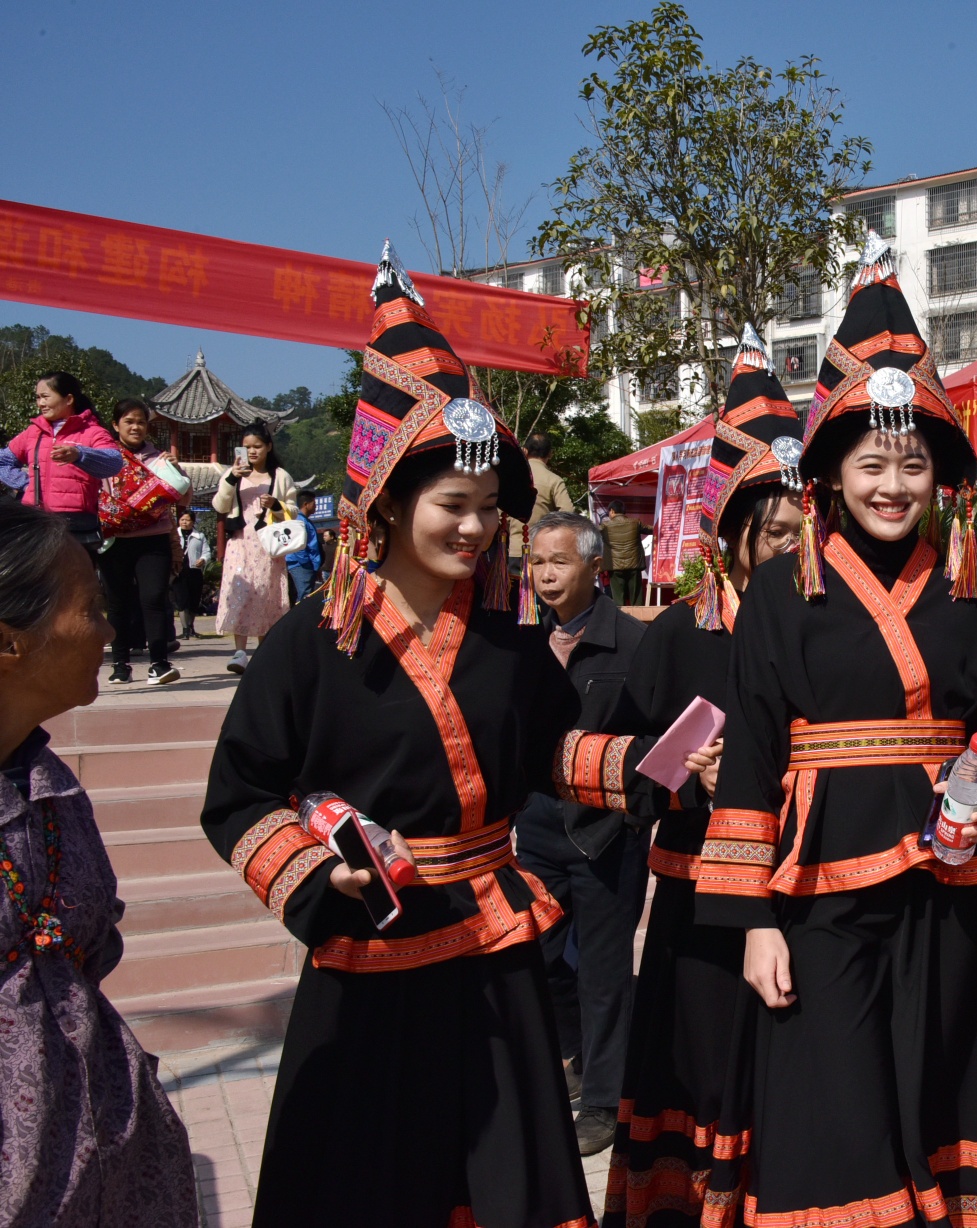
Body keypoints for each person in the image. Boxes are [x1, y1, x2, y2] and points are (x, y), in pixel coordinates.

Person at [682, 238, 977, 1228]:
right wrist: (752, 923)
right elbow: (753, 754)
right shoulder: (781, 593)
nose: (893, 483)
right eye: (872, 462)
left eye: (913, 461)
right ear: (830, 471)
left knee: (946, 1074)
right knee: (835, 1093)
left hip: (948, 881)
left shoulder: (972, 591)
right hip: (819, 889)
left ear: (940, 473)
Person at [199, 243, 597, 1228]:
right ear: (387, 502)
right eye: (453, 506)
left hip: (494, 950)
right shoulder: (312, 641)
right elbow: (239, 795)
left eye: (489, 510)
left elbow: (550, 755)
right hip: (371, 951)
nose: (475, 529)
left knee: (502, 1182)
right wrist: (311, 870)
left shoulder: (506, 641)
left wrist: (649, 766)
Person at [597, 326, 807, 1226]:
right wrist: (687, 777)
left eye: (803, 533)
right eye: (775, 534)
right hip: (697, 899)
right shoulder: (682, 634)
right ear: (731, 534)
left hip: (799, 888)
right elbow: (611, 761)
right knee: (702, 1063)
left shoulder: (826, 630)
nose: (791, 551)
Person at [0, 500, 197, 1227]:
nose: (109, 632)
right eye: (90, 609)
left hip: (111, 1174)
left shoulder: (48, 785)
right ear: (9, 642)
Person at [517, 509, 651, 1155]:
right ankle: (577, 1053)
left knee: (604, 974)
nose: (546, 575)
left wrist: (634, 809)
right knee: (538, 956)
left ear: (595, 568)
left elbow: (659, 732)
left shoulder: (633, 643)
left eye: (560, 561)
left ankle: (603, 1099)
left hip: (606, 833)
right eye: (538, 562)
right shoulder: (522, 641)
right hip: (538, 826)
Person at [99, 398, 189, 685]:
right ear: (115, 425)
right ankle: (120, 665)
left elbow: (183, 496)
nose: (135, 427)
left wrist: (177, 471)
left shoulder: (160, 458)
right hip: (116, 539)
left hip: (153, 539)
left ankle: (159, 664)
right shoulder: (105, 457)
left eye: (141, 422)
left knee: (153, 598)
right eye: (129, 421)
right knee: (118, 602)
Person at [1, 372, 123, 554]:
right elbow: (3, 462)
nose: (40, 403)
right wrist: (26, 484)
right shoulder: (33, 432)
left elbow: (113, 463)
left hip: (77, 525)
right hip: (36, 522)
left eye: (45, 397)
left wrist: (79, 454)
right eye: (38, 397)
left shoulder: (93, 432)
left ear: (69, 399)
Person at [211, 424, 298, 672]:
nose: (252, 451)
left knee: (267, 594)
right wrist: (231, 478)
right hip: (240, 541)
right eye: (247, 447)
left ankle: (264, 652)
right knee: (239, 591)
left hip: (267, 544)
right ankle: (239, 652)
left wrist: (276, 505)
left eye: (257, 446)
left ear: (268, 447)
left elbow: (293, 510)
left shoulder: (280, 476)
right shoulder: (233, 475)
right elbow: (219, 505)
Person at [509, 430, 575, 567]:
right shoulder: (554, 480)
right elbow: (568, 512)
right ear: (550, 454)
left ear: (525, 451)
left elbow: (498, 514)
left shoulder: (512, 478)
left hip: (513, 549)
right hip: (541, 550)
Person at [601, 498, 649, 605]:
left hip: (615, 567)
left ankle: (620, 616)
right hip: (634, 566)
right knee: (636, 600)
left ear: (612, 511)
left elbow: (591, 533)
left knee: (618, 601)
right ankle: (638, 616)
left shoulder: (605, 526)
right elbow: (653, 529)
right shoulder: (636, 523)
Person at [174, 509, 212, 638]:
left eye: (187, 520)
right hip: (179, 572)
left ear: (193, 522)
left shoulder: (199, 536)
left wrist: (203, 559)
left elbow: (207, 552)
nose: (184, 522)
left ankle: (191, 628)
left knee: (193, 601)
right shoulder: (174, 535)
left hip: (194, 571)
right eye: (182, 520)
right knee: (182, 601)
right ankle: (185, 630)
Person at [286, 493, 324, 603]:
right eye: (314, 504)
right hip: (301, 564)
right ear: (306, 504)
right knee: (304, 596)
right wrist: (306, 563)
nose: (316, 506)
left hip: (306, 564)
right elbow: (298, 546)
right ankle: (301, 614)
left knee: (307, 594)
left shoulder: (304, 520)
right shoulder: (299, 521)